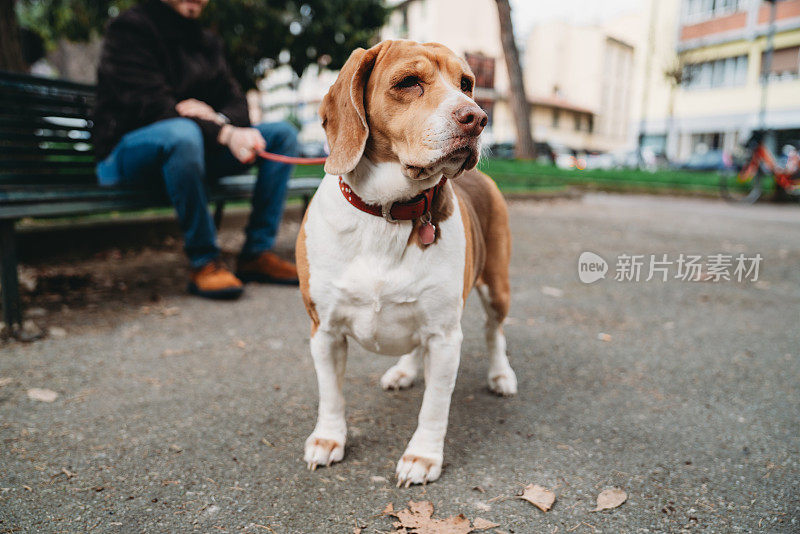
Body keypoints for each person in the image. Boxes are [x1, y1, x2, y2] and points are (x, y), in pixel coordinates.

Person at [93, 0, 299, 300]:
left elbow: (238, 105)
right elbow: (150, 108)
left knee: (281, 135)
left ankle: (256, 253)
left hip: (192, 150)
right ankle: (204, 261)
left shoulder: (206, 42)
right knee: (182, 133)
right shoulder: (130, 29)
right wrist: (223, 132)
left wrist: (217, 119)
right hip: (124, 154)